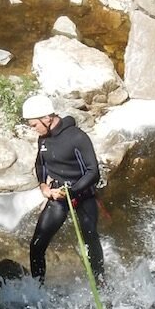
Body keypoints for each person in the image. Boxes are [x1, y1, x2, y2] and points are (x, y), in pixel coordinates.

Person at [22, 94, 104, 284]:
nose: (32, 129)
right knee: (36, 245)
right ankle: (38, 288)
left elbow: (93, 172)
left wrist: (72, 191)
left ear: (47, 118)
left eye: (33, 125)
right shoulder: (44, 138)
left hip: (82, 195)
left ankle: (100, 283)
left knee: (90, 239)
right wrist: (43, 185)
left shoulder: (77, 137)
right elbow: (40, 164)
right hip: (58, 196)